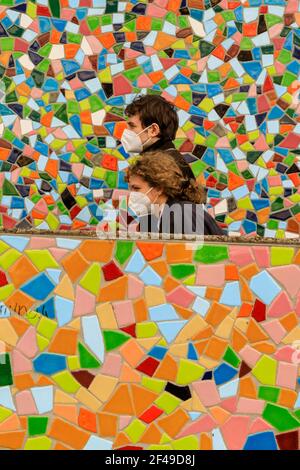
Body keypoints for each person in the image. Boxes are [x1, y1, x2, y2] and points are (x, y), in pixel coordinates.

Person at [124, 152, 225, 236]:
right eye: (131, 189)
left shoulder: (181, 214)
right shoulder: (157, 216)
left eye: (136, 188)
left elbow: (193, 256)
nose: (132, 194)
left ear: (159, 188)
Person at [122, 94, 196, 183]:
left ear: (153, 130)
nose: (126, 131)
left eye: (132, 126)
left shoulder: (165, 167)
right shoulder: (163, 159)